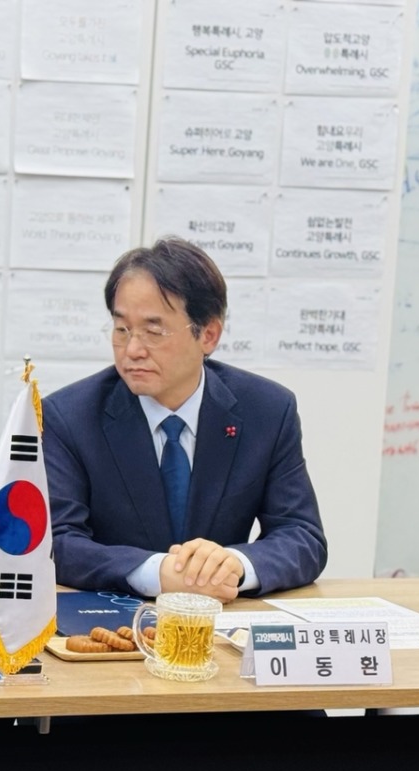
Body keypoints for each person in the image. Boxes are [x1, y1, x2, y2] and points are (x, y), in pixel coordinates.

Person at [41, 237, 327, 601]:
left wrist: (234, 565)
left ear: (208, 335)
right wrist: (158, 572)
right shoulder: (69, 417)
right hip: (114, 628)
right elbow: (56, 542)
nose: (132, 350)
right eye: (122, 329)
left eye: (154, 331)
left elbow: (302, 535)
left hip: (221, 624)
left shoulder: (268, 411)